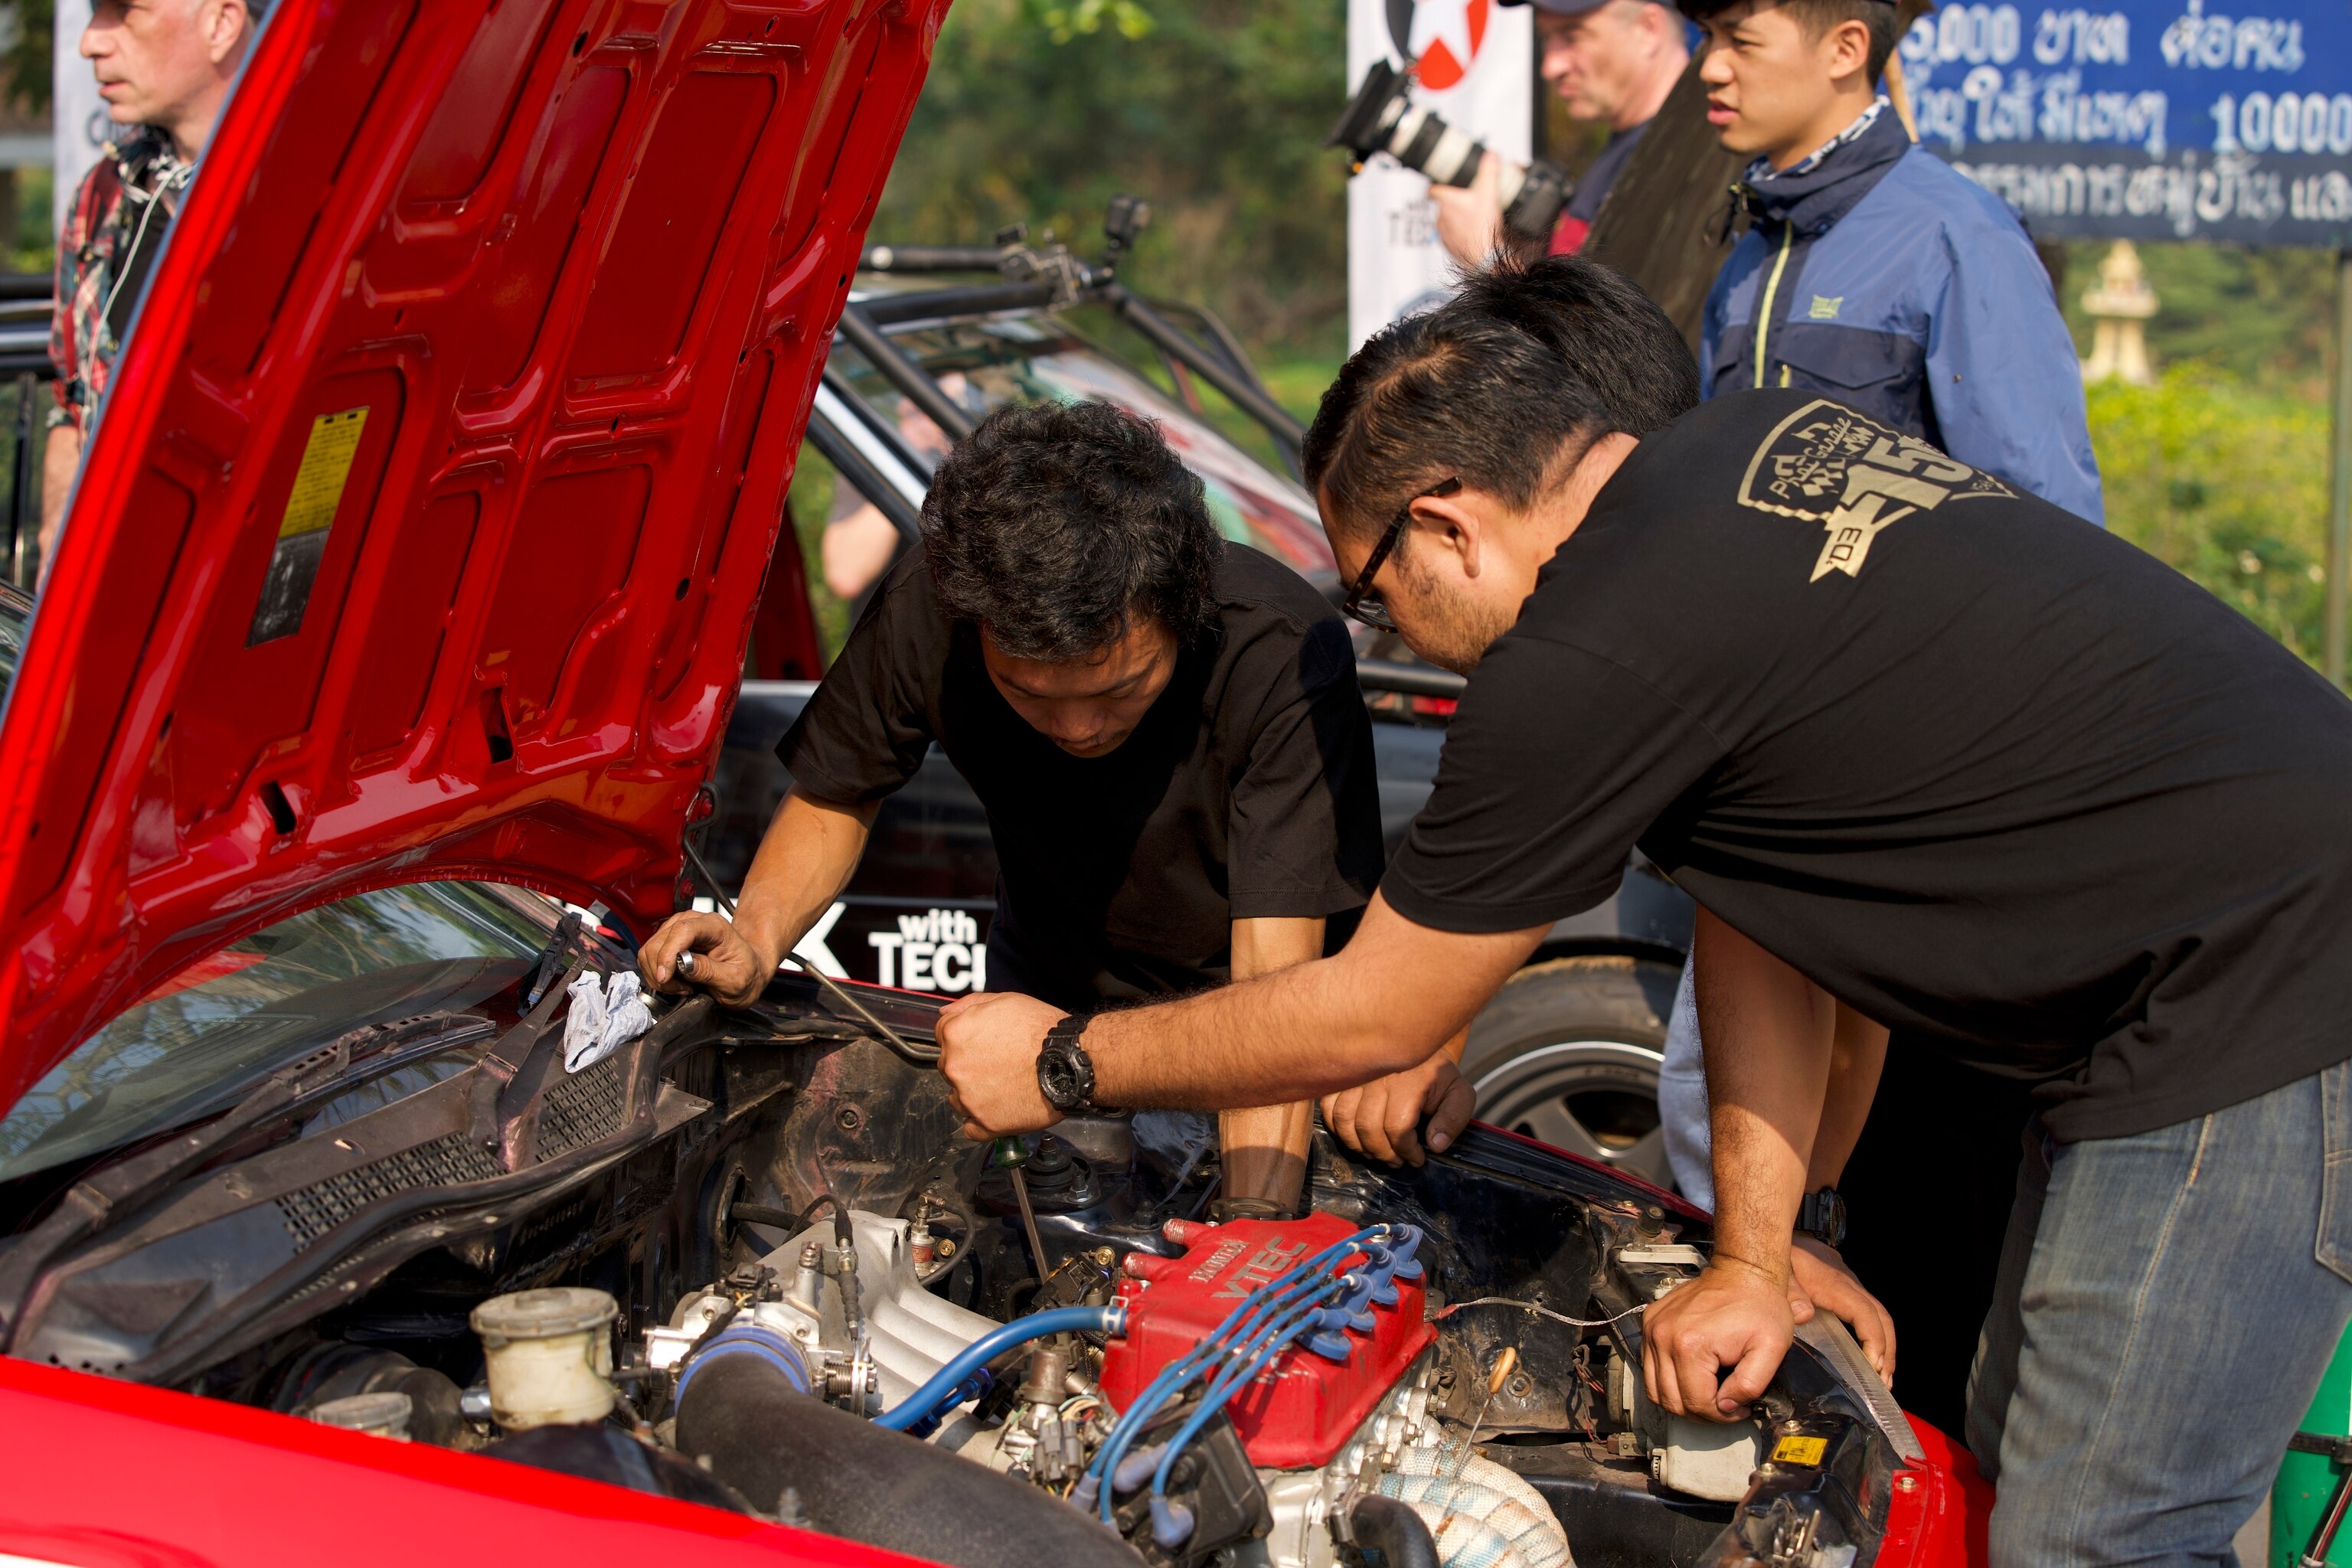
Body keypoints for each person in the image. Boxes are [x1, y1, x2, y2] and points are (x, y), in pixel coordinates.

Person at [933, 255, 2352, 1565]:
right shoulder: (1739, 455)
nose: (1382, 633)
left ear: (1444, 522)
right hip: (2206, 954)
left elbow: (1382, 1006)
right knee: (1999, 1476)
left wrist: (1066, 1059)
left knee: (2094, 1540)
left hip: (2249, 981)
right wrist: (1752, 1250)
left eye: (1374, 597)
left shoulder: (1586, 644)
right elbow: (1766, 904)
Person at [643, 399, 1468, 1210]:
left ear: (1180, 614)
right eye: (1028, 694)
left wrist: (1248, 1236)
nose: (1077, 728)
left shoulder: (1277, 651)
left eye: (1120, 689)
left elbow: (1276, 982)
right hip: (1044, 1008)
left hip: (1262, 1035)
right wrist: (755, 938)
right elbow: (836, 791)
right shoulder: (935, 607)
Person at [1687, 0, 2100, 523]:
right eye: (1707, 37)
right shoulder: (1746, 254)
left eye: (1740, 41)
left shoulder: (1960, 236)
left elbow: (2047, 518)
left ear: (1846, 50)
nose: (1711, 67)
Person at [44, 0, 264, 577]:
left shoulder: (314, 193)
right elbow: (71, 410)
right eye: (94, 12)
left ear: (222, 23)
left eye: (123, 11)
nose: (91, 42)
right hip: (114, 593)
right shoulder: (104, 196)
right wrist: (53, 549)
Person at [1435, 0, 1689, 266]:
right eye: (1547, 37)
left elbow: (1640, 308)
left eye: (1573, 36)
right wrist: (1530, 257)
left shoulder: (1687, 157)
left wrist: (1488, 260)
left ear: (1648, 29)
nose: (1551, 67)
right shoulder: (1634, 144)